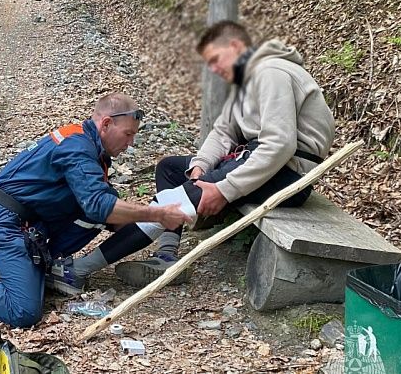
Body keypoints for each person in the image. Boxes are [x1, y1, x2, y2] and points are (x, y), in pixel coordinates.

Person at [0, 93, 194, 327]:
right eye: (128, 134)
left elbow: (107, 213)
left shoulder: (93, 151)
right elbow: (99, 206)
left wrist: (157, 221)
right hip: (7, 220)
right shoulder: (77, 147)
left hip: (34, 221)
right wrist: (156, 214)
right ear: (106, 123)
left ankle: (49, 266)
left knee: (107, 203)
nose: (130, 143)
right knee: (23, 312)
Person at [115, 20, 335, 287]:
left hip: (289, 174)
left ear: (235, 46)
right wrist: (200, 166)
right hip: (258, 161)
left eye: (216, 59)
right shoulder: (243, 85)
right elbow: (223, 133)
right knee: (170, 169)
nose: (215, 69)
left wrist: (225, 188)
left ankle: (82, 267)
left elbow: (280, 144)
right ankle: (167, 254)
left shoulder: (271, 72)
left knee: (197, 190)